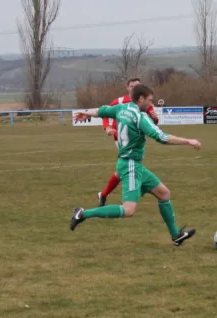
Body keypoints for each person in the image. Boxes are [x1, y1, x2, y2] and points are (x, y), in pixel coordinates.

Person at [70, 84, 200, 247]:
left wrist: (86, 113)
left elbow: (101, 111)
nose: (151, 104)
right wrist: (188, 141)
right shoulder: (140, 117)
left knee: (164, 193)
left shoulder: (121, 108)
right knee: (128, 209)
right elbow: (162, 137)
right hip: (130, 165)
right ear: (141, 98)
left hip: (132, 164)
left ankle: (176, 236)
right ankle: (83, 214)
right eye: (150, 100)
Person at [97, 78, 160, 207]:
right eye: (132, 86)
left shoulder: (143, 103)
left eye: (137, 86)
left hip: (135, 139)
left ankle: (104, 195)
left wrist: (154, 116)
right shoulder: (119, 102)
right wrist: (107, 127)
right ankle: (128, 198)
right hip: (122, 140)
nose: (134, 88)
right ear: (127, 88)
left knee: (124, 171)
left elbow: (153, 121)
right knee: (132, 167)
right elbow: (104, 113)